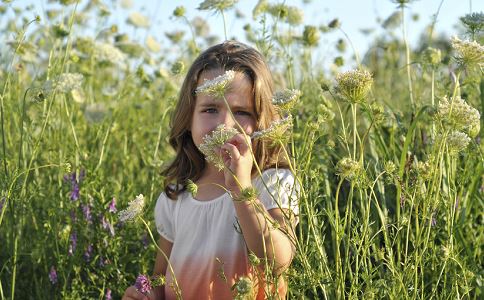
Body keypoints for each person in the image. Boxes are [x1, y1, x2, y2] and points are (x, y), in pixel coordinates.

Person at [123, 41, 299, 300]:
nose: (224, 124)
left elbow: (278, 261)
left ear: (263, 119)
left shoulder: (272, 183)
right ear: (188, 118)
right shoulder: (177, 194)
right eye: (210, 109)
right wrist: (145, 294)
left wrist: (242, 190)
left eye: (241, 112)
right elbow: (161, 278)